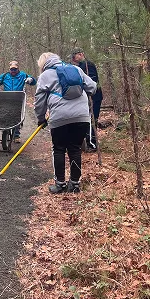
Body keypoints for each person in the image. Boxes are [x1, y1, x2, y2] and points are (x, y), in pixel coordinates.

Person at [34, 52, 97, 194]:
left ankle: (60, 184)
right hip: (81, 116)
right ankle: (74, 184)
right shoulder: (76, 69)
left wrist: (40, 118)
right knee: (75, 148)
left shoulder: (45, 75)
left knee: (59, 148)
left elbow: (39, 101)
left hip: (59, 117)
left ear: (43, 64)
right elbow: (92, 87)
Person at [0, 60, 37, 142]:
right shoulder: (5, 76)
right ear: (9, 69)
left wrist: (30, 79)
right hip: (7, 98)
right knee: (5, 114)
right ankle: (5, 129)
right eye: (12, 69)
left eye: (15, 69)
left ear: (18, 69)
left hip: (18, 98)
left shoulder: (23, 75)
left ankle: (16, 135)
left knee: (17, 116)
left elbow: (33, 81)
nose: (13, 71)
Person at [71, 48, 103, 152]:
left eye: (74, 57)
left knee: (91, 119)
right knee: (86, 119)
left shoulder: (87, 65)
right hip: (87, 98)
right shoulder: (81, 66)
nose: (73, 60)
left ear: (80, 55)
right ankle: (86, 141)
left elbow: (92, 82)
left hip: (93, 97)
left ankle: (92, 144)